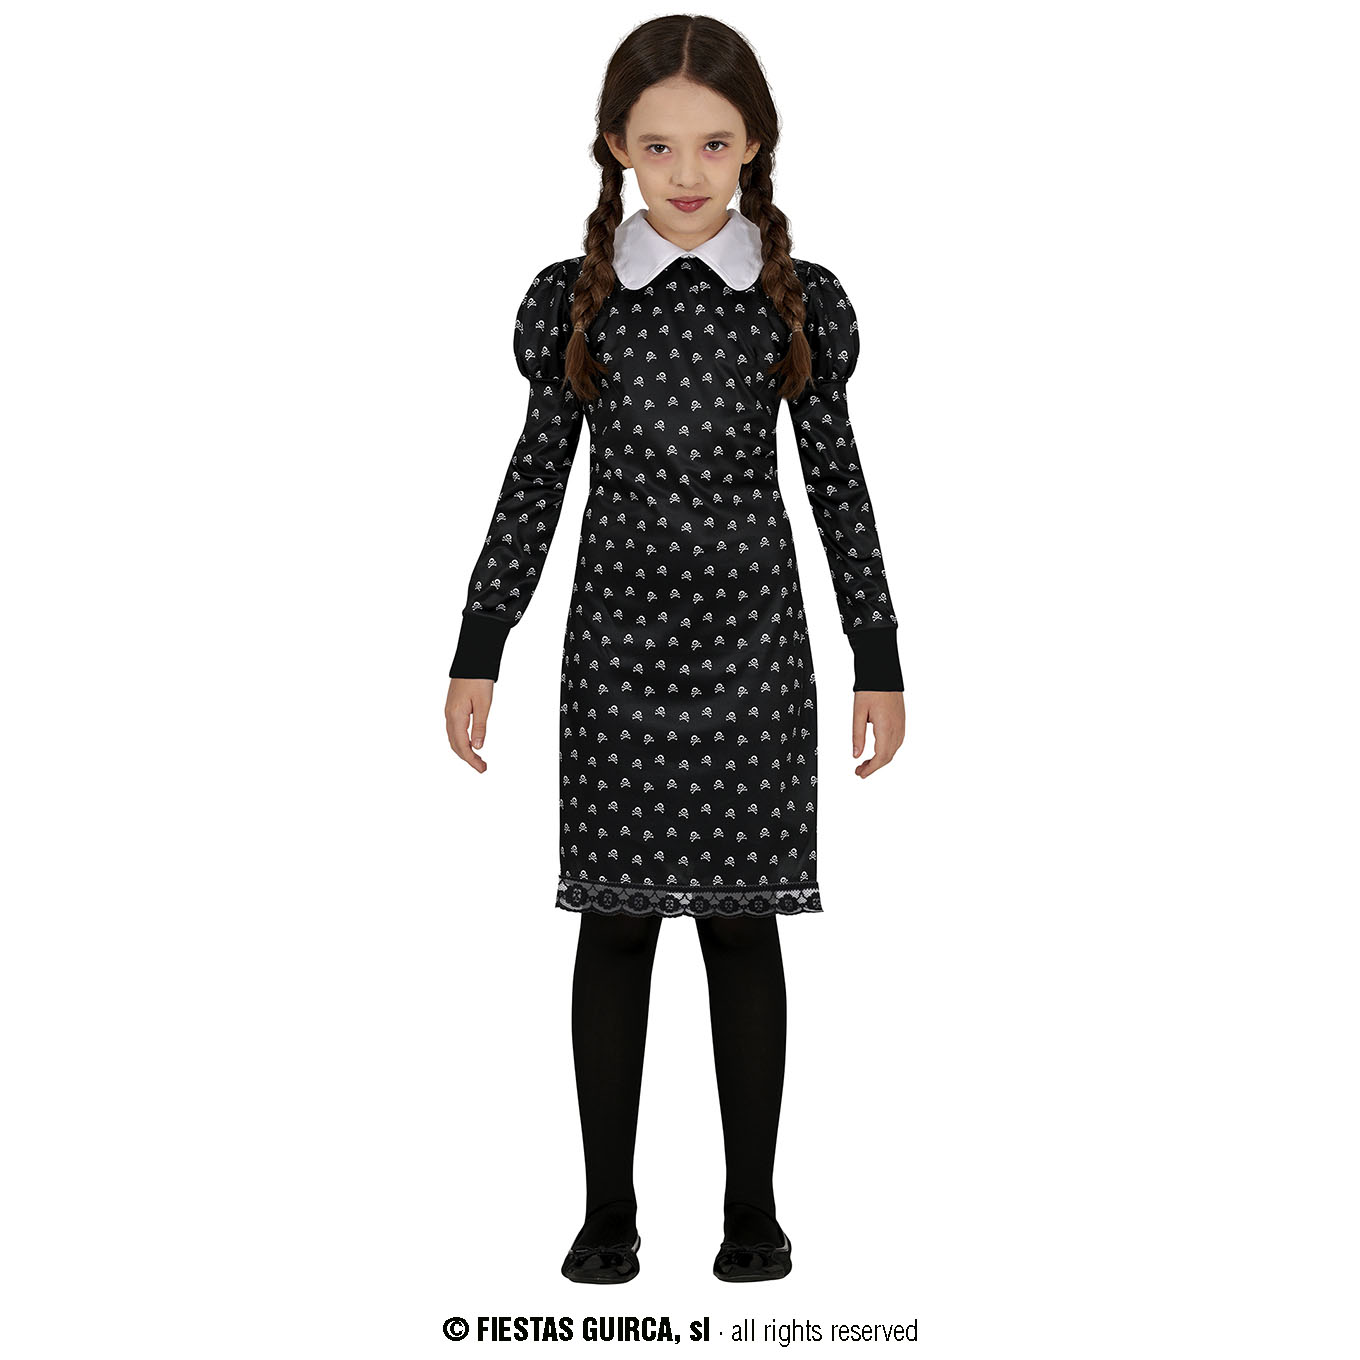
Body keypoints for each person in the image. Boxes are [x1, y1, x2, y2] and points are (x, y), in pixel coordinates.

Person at [445, 15, 905, 1284]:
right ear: (615, 148)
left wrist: (875, 652)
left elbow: (837, 485)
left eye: (712, 142)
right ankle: (607, 1213)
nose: (687, 171)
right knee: (614, 926)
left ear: (754, 144)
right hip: (613, 655)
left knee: (743, 927)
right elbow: (535, 480)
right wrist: (482, 639)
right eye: (658, 145)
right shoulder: (578, 299)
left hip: (756, 656)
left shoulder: (791, 300)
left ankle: (752, 1210)